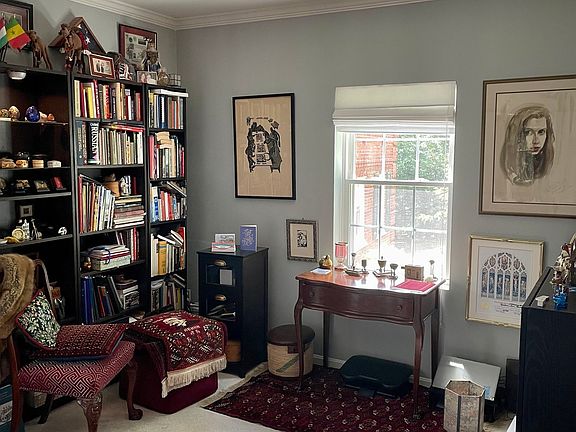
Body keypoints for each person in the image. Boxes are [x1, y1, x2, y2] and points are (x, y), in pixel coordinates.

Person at [500, 105, 555, 185]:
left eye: (541, 132)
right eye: (528, 132)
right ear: (517, 135)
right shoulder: (510, 168)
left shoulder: (546, 164)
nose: (536, 141)